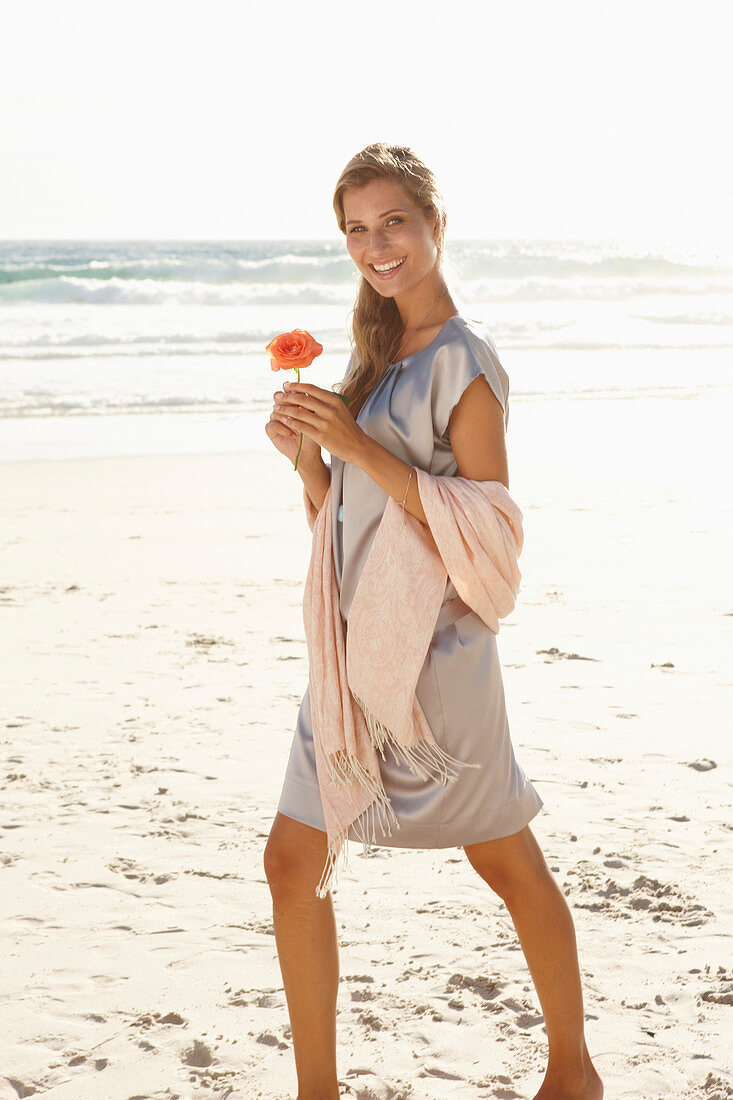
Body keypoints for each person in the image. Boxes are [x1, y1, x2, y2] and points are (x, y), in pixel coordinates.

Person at [263, 143, 603, 1100]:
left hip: (435, 655)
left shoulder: (465, 359)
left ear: (435, 224)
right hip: (349, 651)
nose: (377, 245)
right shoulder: (375, 358)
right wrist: (311, 461)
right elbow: (357, 523)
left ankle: (572, 1070)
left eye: (393, 222)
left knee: (501, 859)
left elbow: (488, 528)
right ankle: (315, 1092)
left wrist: (357, 447)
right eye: (356, 230)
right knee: (292, 862)